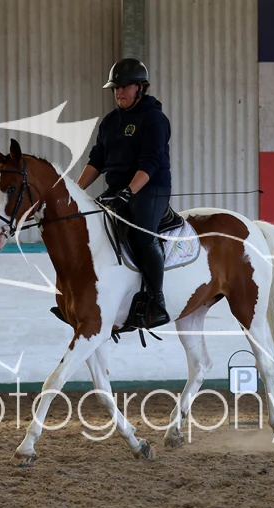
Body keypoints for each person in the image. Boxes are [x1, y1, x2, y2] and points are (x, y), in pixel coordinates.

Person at [76, 58, 172, 329]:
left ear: (141, 87)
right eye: (115, 88)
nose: (119, 92)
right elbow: (97, 160)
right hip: (118, 190)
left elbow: (151, 162)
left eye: (125, 86)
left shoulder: (154, 119)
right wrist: (75, 191)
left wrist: (129, 192)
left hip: (150, 188)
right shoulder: (110, 121)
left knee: (143, 235)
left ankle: (156, 301)